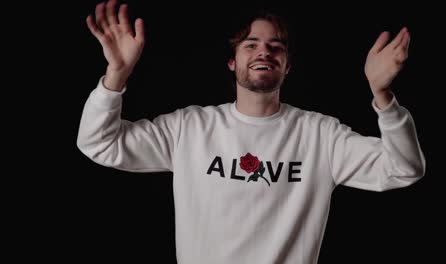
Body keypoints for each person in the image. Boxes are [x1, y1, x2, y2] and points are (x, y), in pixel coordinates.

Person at [77, 0, 426, 263]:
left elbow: (404, 168)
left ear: (287, 66)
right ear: (233, 62)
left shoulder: (321, 135)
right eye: (251, 44)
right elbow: (100, 143)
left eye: (276, 46)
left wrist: (383, 96)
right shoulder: (189, 127)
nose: (265, 51)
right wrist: (116, 76)